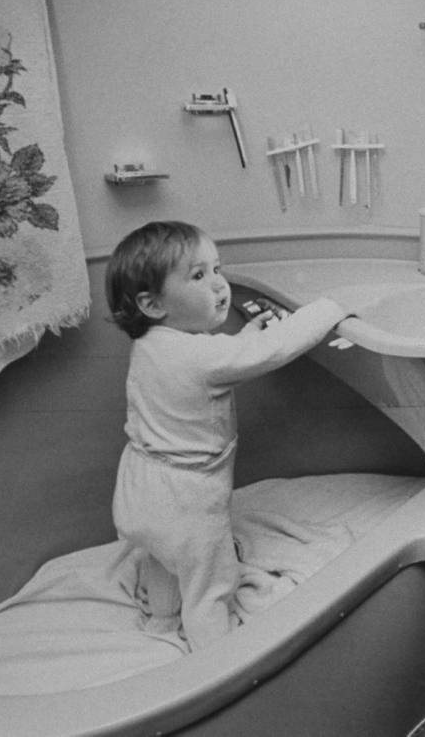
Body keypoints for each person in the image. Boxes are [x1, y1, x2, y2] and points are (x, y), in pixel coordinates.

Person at [105, 220, 348, 650]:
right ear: (153, 304)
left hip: (139, 488)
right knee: (209, 586)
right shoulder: (204, 357)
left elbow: (216, 358)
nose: (219, 285)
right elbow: (269, 351)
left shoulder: (150, 346)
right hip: (186, 502)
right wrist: (330, 308)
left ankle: (160, 622)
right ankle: (216, 662)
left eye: (217, 269)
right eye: (198, 276)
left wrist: (246, 334)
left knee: (163, 559)